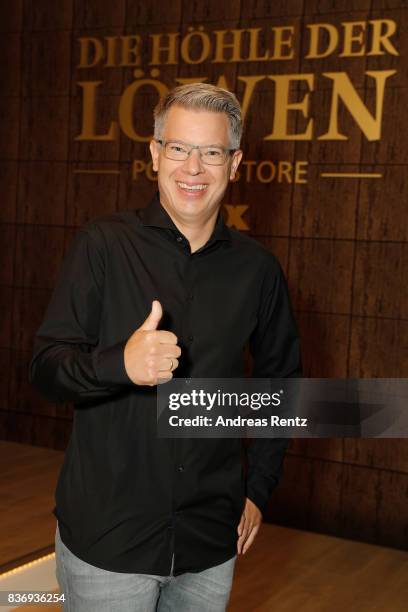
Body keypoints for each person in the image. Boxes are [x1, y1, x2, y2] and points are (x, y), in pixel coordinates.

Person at [29, 83, 301, 612]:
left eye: (212, 152)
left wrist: (258, 488)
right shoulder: (103, 244)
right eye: (179, 148)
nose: (193, 168)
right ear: (155, 155)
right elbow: (45, 368)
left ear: (235, 162)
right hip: (110, 538)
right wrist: (120, 365)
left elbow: (281, 385)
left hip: (209, 539)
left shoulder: (258, 269)